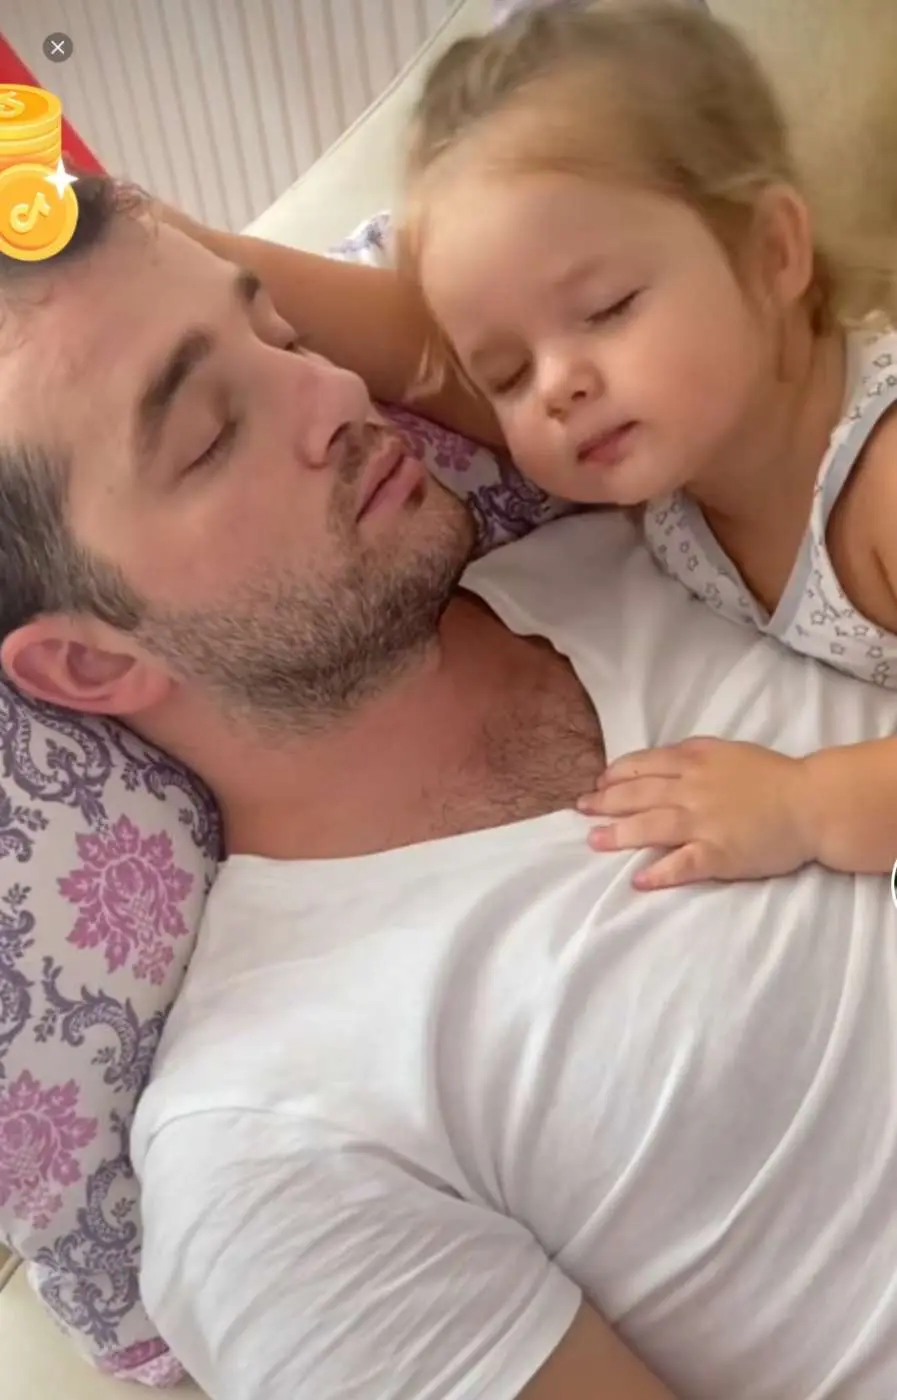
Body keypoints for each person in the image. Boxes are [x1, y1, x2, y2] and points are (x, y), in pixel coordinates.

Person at [2, 174, 897, 1400]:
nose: (334, 392)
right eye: (210, 434)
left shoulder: (674, 526)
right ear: (92, 663)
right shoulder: (273, 1142)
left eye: (280, 333)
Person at [376, 0, 897, 892]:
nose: (556, 387)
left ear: (772, 253)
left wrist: (804, 803)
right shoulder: (671, 478)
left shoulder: (880, 476)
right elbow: (413, 366)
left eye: (607, 308)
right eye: (506, 374)